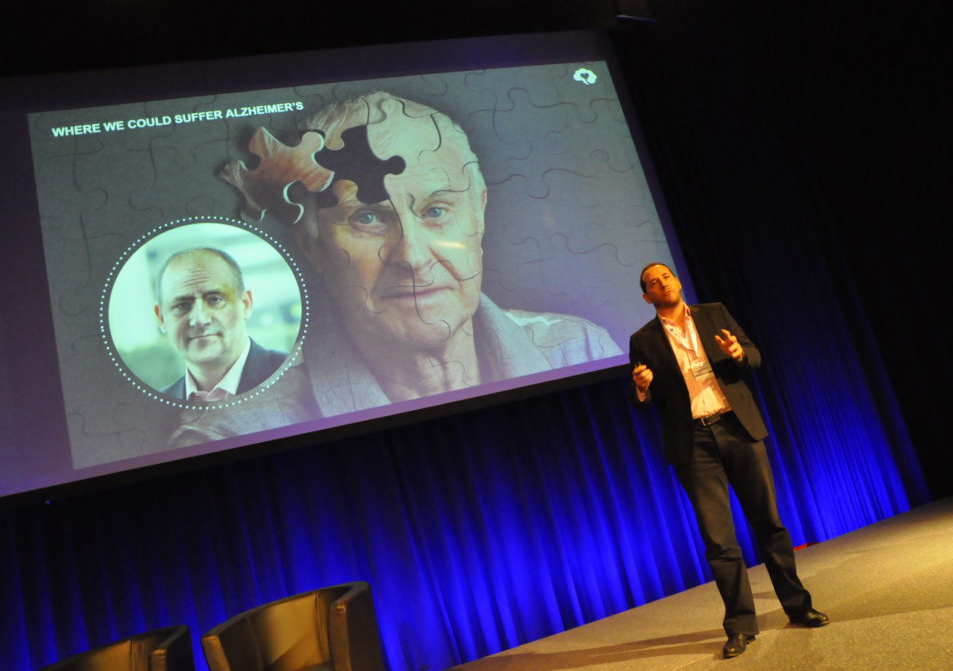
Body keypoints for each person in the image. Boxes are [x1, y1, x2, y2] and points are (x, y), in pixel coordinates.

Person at [166, 91, 620, 443]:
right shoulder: (230, 433)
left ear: (479, 214)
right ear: (312, 245)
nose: (413, 257)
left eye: (437, 210)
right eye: (367, 218)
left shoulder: (582, 351)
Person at [629, 263, 828, 659]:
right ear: (647, 296)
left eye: (666, 276)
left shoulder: (714, 313)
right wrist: (641, 389)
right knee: (719, 541)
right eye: (653, 282)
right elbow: (643, 399)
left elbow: (753, 357)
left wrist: (738, 354)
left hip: (737, 427)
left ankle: (798, 606)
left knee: (769, 524)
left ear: (677, 281)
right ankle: (740, 626)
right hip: (694, 443)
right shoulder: (643, 339)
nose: (662, 283)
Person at [154, 247, 287, 402]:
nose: (200, 319)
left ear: (246, 304)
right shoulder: (154, 408)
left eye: (215, 299)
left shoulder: (300, 377)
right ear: (161, 318)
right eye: (182, 305)